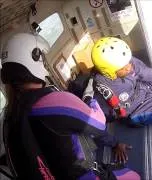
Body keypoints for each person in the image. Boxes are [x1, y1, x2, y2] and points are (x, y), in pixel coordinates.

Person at [0, 33, 140, 179]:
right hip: (83, 176)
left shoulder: (9, 117)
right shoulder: (54, 101)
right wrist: (88, 99)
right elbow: (98, 124)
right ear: (34, 59)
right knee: (134, 176)